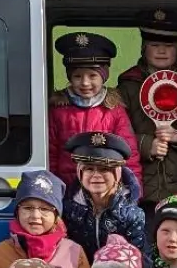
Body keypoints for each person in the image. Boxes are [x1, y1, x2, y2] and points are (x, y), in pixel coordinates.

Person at [117, 10, 177, 207]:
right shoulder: (127, 88)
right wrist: (145, 145)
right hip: (139, 187)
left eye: (168, 45)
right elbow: (117, 134)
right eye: (154, 45)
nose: (161, 51)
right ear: (144, 49)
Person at [48, 32, 141, 188]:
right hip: (66, 192)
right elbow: (50, 155)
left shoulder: (114, 110)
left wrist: (132, 191)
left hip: (105, 193)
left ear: (104, 77)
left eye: (92, 76)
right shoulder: (57, 110)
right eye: (77, 76)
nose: (85, 83)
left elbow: (129, 155)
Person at [62, 131, 146, 257]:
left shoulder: (132, 216)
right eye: (89, 169)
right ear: (80, 174)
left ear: (117, 175)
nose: (96, 175)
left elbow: (138, 260)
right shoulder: (69, 210)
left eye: (104, 169)